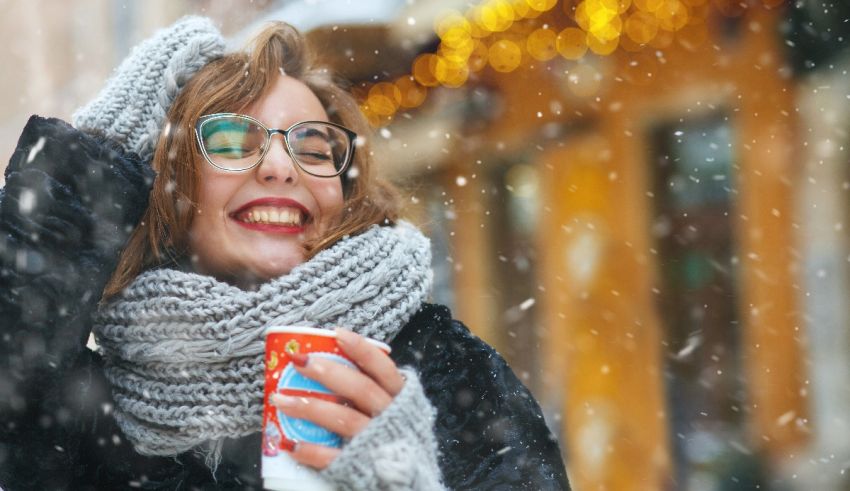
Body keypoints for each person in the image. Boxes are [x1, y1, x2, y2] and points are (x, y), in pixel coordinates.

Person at [0, 16, 570, 490]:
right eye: (231, 141)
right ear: (169, 187)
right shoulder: (80, 407)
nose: (280, 165)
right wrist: (98, 157)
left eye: (314, 147)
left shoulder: (444, 369)